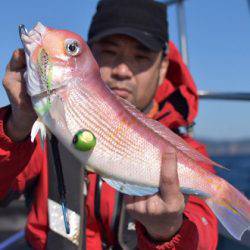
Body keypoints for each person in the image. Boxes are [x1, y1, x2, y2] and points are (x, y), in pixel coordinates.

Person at [0, 0, 218, 249]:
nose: (123, 70)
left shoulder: (188, 154)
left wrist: (167, 232)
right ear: (91, 54)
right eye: (110, 52)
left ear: (163, 67)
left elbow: (205, 236)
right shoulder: (41, 133)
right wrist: (14, 129)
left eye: (141, 57)